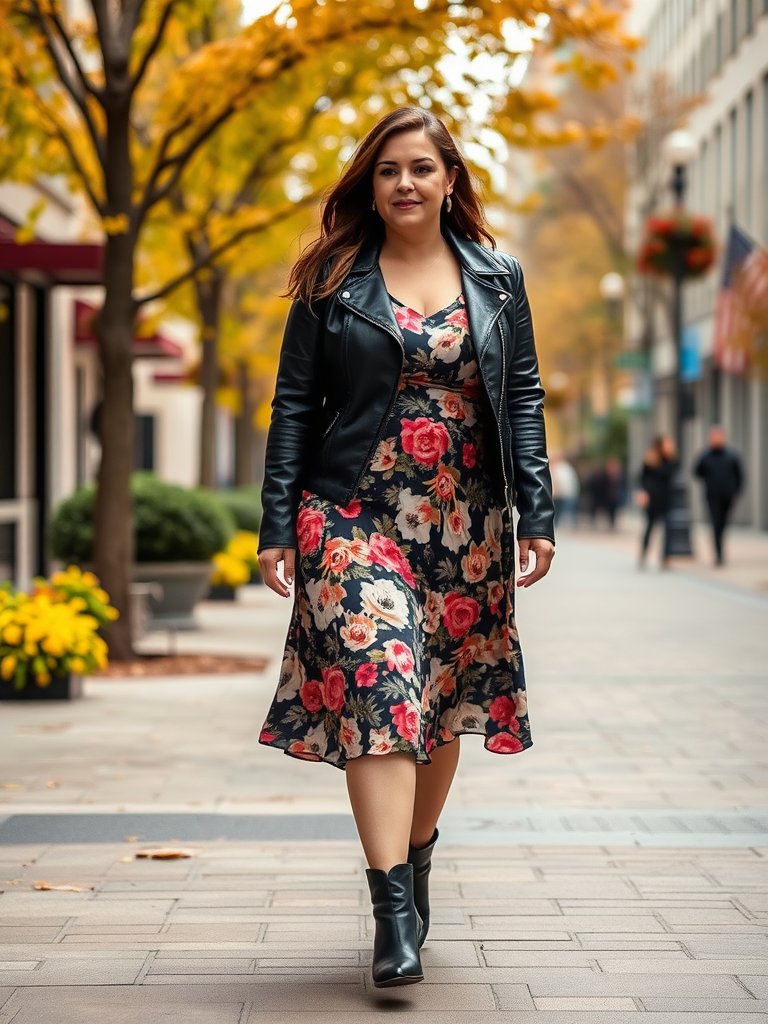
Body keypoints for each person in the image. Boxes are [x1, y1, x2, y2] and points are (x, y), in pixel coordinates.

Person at [256, 107, 555, 988]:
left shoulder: (498, 277)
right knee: (383, 682)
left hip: (465, 521)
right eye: (388, 170)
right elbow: (293, 405)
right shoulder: (333, 280)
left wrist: (536, 512)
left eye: (421, 167)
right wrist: (277, 525)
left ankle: (417, 859)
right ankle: (392, 910)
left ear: (450, 180)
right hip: (350, 513)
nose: (405, 183)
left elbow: (524, 395)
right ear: (371, 184)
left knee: (441, 700)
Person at [693, 425, 743, 565]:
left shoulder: (731, 455)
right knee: (716, 523)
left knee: (723, 524)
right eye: (713, 437)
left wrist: (736, 491)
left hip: (727, 496)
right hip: (712, 496)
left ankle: (720, 549)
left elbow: (739, 476)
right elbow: (697, 472)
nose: (716, 439)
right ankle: (719, 554)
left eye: (718, 437)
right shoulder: (705, 455)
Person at [637, 435, 676, 568]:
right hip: (652, 498)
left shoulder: (670, 459)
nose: (669, 446)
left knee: (667, 528)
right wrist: (643, 492)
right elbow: (641, 478)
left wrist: (670, 457)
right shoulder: (650, 460)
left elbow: (671, 474)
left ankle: (665, 557)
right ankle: (643, 554)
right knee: (650, 527)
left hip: (666, 498)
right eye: (667, 444)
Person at [551, 452, 580, 527]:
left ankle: (560, 525)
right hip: (562, 494)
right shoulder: (564, 468)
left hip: (564, 494)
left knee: (562, 513)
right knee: (559, 512)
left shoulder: (562, 468)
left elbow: (562, 483)